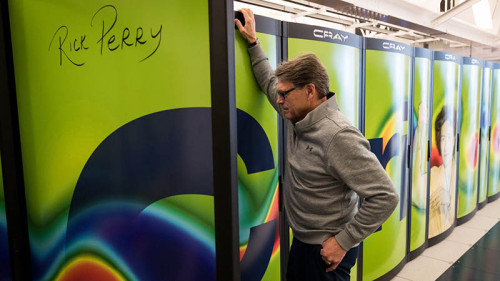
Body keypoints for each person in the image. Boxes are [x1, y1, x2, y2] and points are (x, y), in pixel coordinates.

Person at [235, 9, 399, 281]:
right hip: (303, 242)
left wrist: (344, 242)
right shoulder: (298, 117)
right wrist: (253, 42)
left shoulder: (338, 136)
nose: (279, 100)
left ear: (310, 91)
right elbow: (268, 83)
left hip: (326, 250)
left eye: (285, 94)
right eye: (280, 94)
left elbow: (386, 196)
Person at [429, 105, 457, 237]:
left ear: (455, 140)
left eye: (449, 138)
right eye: (443, 138)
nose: (445, 145)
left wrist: (448, 199)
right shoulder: (433, 174)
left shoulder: (460, 177)